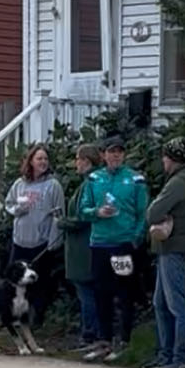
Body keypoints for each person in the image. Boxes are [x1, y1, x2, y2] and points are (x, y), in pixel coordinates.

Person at [78, 135, 151, 362]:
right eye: (111, 151)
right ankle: (104, 340)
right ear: (103, 155)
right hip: (100, 243)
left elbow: (144, 212)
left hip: (123, 244)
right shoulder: (94, 179)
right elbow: (82, 210)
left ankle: (124, 340)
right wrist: (96, 212)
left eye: (119, 151)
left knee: (125, 293)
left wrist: (136, 238)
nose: (116, 155)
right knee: (102, 293)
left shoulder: (135, 180)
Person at [141, 137, 185, 368]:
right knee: (161, 303)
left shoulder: (178, 181)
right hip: (176, 245)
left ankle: (181, 357)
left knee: (176, 304)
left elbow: (153, 213)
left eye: (165, 157)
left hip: (173, 246)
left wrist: (157, 214)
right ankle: (165, 355)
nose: (163, 161)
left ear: (173, 158)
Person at [3, 144, 66, 326]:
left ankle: (34, 321)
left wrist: (54, 240)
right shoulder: (20, 184)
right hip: (20, 241)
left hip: (41, 243)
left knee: (39, 284)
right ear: (31, 161)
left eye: (45, 159)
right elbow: (9, 205)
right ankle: (13, 317)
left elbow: (59, 215)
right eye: (39, 158)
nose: (43, 162)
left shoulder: (53, 185)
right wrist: (19, 209)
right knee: (14, 281)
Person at [60, 144, 103, 352]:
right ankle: (94, 333)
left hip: (84, 247)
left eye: (78, 159)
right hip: (87, 245)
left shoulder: (90, 184)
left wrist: (62, 222)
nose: (76, 163)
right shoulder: (93, 182)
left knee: (87, 293)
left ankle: (90, 335)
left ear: (86, 160)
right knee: (89, 293)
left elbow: (83, 217)